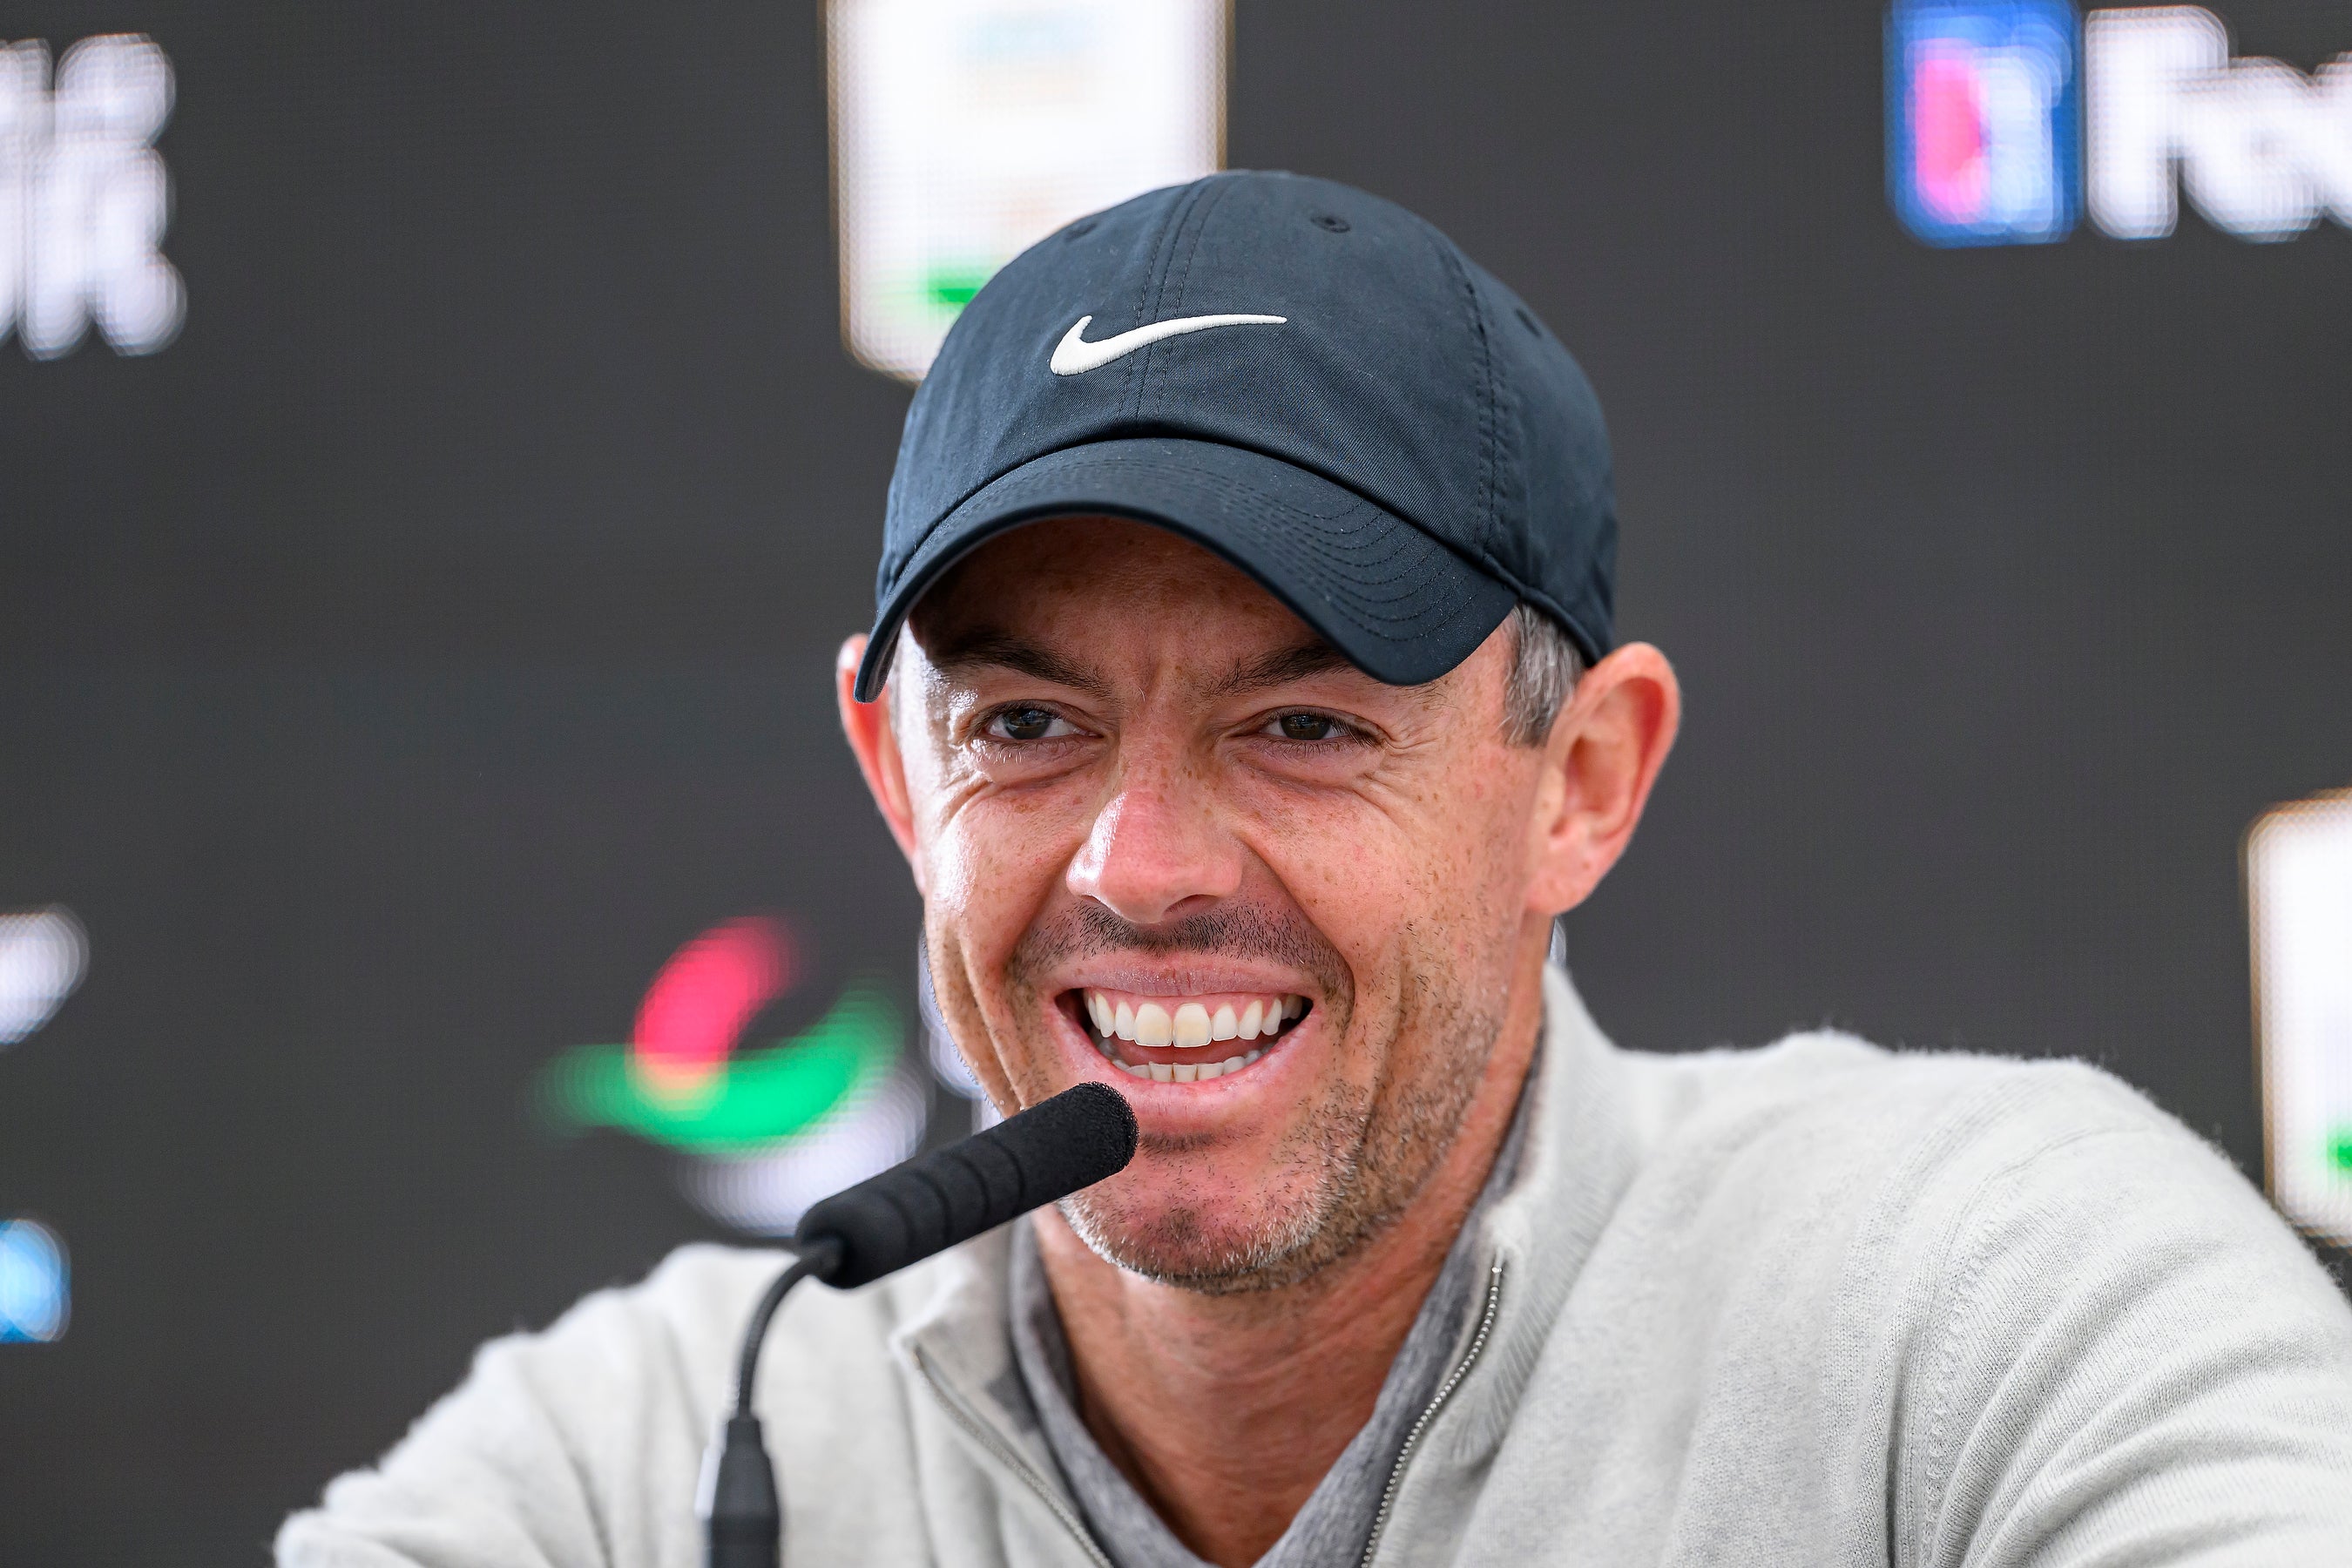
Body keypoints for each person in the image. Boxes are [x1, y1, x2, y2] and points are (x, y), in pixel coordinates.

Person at [278, 172, 2352, 1568]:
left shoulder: (1990, 1314)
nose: (1143, 864)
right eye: (1025, 724)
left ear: (1586, 780)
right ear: (896, 776)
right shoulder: (643, 1455)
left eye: (1307, 722)